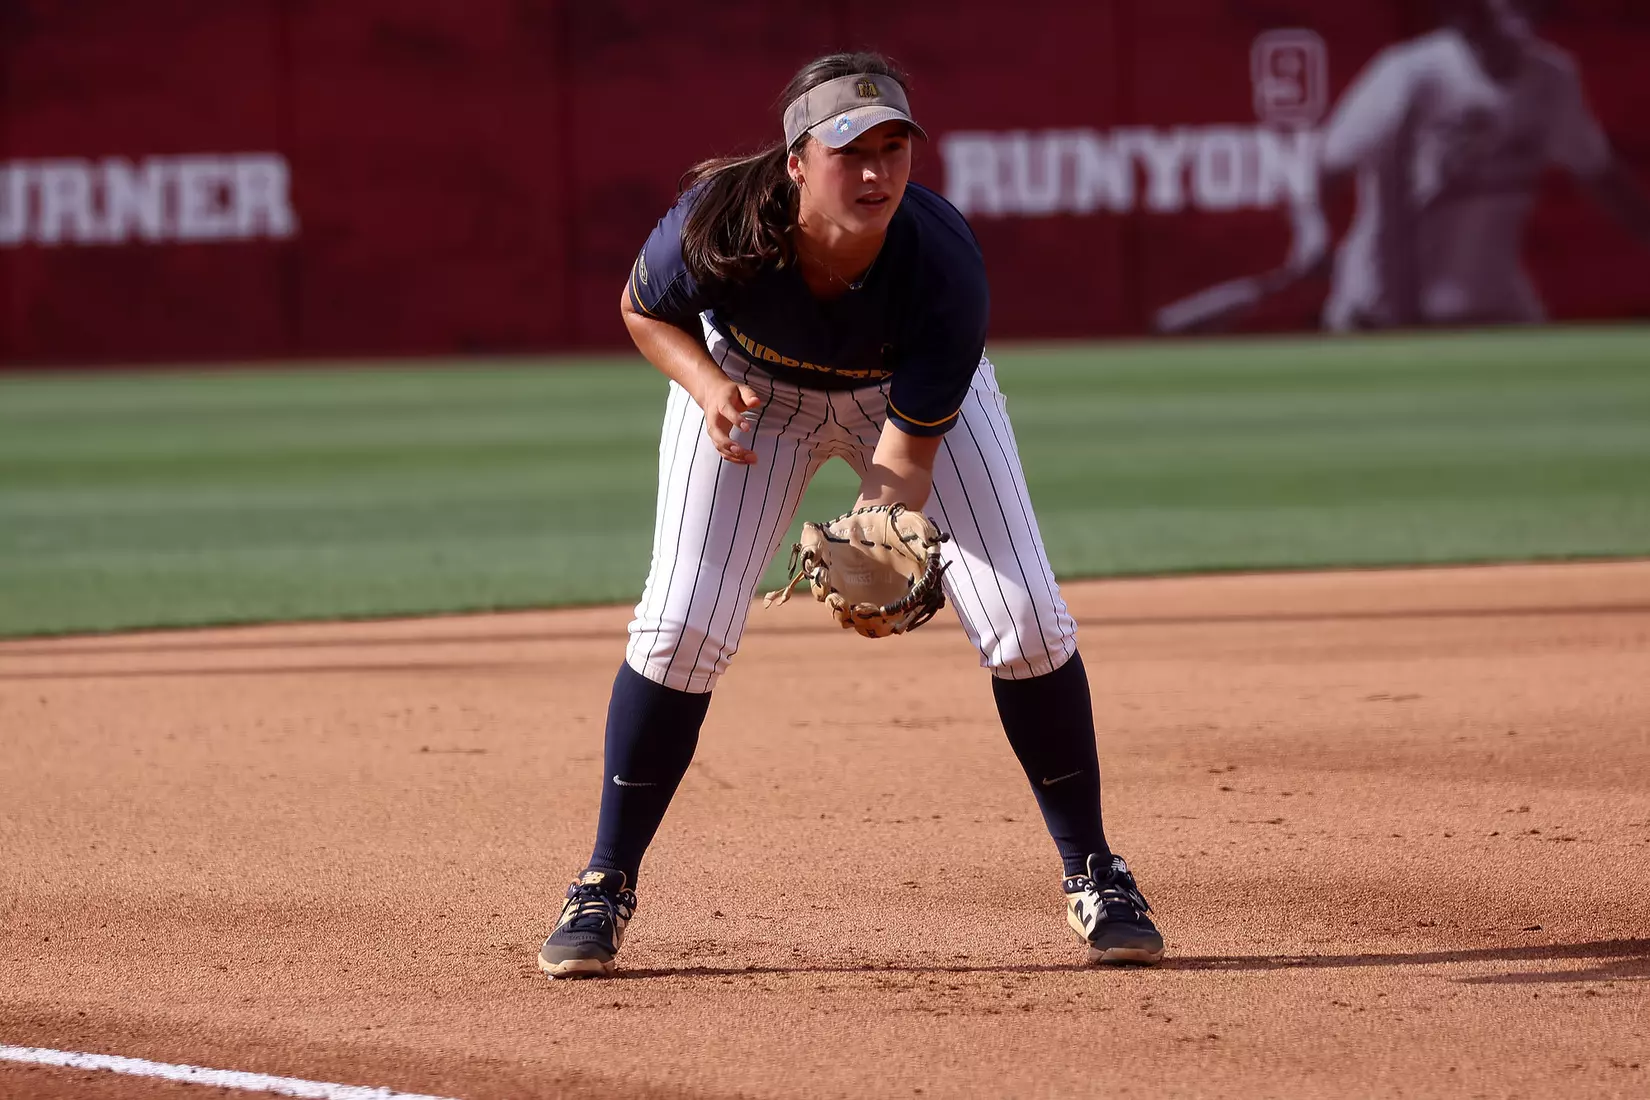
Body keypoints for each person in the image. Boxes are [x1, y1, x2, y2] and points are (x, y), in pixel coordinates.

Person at [538, 51, 1164, 979]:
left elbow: (905, 461)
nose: (876, 172)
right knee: (679, 628)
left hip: (896, 405)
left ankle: (1097, 873)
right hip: (751, 392)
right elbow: (642, 310)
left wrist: (873, 541)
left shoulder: (942, 263)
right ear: (797, 159)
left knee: (1026, 622)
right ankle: (602, 883)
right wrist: (707, 385)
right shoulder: (719, 223)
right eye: (849, 151)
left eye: (894, 148)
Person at [1285, 0, 1650, 330]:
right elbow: (1321, 168)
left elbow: (1601, 176)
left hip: (1494, 306)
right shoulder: (1409, 75)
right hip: (1385, 307)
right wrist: (1311, 233)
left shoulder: (1553, 80)